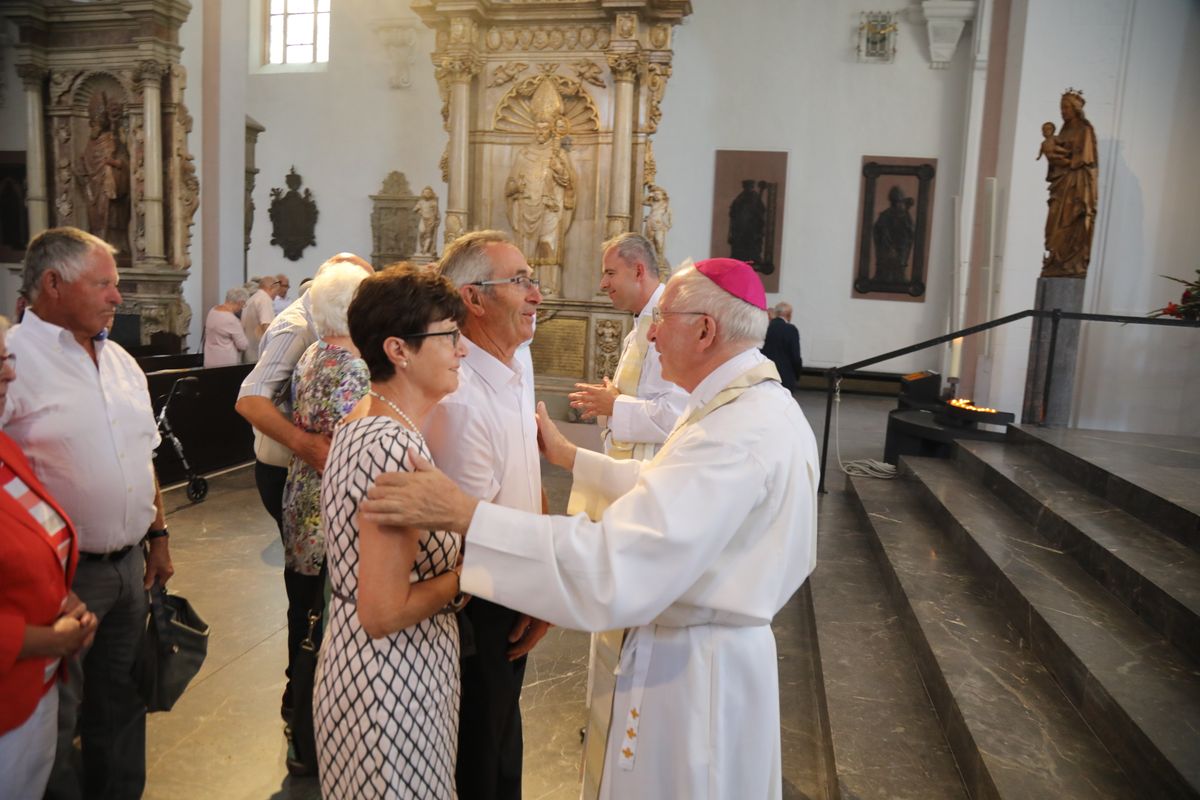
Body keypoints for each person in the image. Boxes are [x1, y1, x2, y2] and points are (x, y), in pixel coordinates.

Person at [361, 258, 820, 800]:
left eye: (664, 317)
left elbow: (615, 561)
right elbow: (665, 488)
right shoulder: (751, 408)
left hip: (696, 684)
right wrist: (572, 457)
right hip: (705, 657)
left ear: (705, 330)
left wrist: (468, 516)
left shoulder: (736, 432)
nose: (650, 331)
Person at [2, 227, 174, 799]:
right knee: (55, 717)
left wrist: (159, 536)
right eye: (103, 284)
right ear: (53, 283)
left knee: (123, 704)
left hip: (128, 566)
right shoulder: (13, 362)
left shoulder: (121, 360)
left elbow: (142, 451)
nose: (117, 297)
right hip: (57, 580)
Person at [314, 263, 469, 799]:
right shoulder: (386, 443)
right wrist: (467, 574)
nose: (461, 350)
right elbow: (382, 611)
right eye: (449, 337)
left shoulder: (378, 421)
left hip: (398, 672)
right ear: (399, 350)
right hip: (387, 685)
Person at [426, 230, 550, 799]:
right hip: (480, 596)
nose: (537, 293)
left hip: (520, 573)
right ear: (473, 299)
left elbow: (528, 474)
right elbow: (465, 530)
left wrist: (543, 581)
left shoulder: (517, 356)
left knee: (505, 737)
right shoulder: (459, 396)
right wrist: (532, 586)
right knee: (477, 745)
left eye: (532, 278)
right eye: (520, 281)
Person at [234, 252, 373, 737]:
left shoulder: (321, 350)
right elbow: (249, 396)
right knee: (319, 606)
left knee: (308, 598)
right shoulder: (301, 332)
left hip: (303, 489)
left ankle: (303, 707)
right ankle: (310, 710)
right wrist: (306, 444)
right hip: (305, 479)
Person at [277, 262, 372, 773]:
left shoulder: (317, 352)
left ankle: (300, 724)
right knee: (327, 623)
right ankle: (316, 737)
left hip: (304, 497)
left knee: (306, 614)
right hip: (332, 507)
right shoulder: (354, 369)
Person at [0, 315, 97, 800]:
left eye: (5, 360)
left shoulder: (4, 448)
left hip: (35, 689)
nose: (9, 375)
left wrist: (66, 598)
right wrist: (45, 639)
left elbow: (36, 543)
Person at [569, 233, 687, 462]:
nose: (603, 284)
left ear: (639, 271)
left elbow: (677, 414)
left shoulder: (674, 319)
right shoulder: (643, 320)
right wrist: (611, 397)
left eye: (610, 273)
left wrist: (614, 405)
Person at [1042, 89, 1098, 278]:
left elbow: (1084, 159)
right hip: (1061, 184)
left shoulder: (1084, 129)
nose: (1062, 111)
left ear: (1075, 109)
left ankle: (1070, 261)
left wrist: (1063, 159)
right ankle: (1056, 259)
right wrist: (1052, 158)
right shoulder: (1064, 130)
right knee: (1054, 222)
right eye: (1061, 108)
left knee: (1071, 220)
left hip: (1076, 186)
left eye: (1066, 107)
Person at [202, 286, 249, 368]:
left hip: (209, 359)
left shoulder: (212, 311)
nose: (242, 307)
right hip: (226, 363)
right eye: (243, 304)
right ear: (240, 302)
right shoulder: (232, 320)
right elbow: (243, 345)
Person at [761, 301, 803, 392]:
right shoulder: (791, 330)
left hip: (766, 375)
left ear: (775, 313)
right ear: (789, 315)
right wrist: (797, 375)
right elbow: (795, 356)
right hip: (785, 376)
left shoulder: (765, 328)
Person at [241, 274, 279, 362]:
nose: (275, 296)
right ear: (271, 288)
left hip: (249, 350)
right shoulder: (265, 299)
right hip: (259, 352)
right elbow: (267, 326)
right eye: (276, 292)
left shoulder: (252, 298)